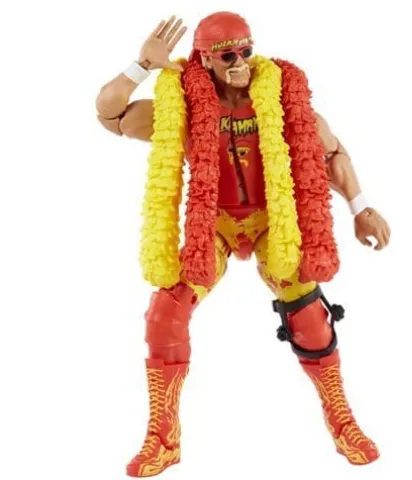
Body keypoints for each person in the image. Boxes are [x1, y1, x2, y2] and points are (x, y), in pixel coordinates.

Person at [96, 11, 391, 478]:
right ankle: (163, 438)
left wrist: (361, 207)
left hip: (272, 223)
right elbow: (110, 115)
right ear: (204, 60)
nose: (239, 64)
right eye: (226, 56)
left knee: (309, 316)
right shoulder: (181, 105)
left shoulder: (282, 100)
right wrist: (143, 65)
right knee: (165, 313)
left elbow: (331, 150)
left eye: (246, 52)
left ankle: (342, 421)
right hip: (211, 225)